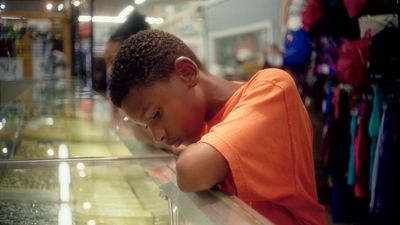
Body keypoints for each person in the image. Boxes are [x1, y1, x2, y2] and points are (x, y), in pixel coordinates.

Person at [109, 29, 327, 225]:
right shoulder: (198, 128)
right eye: (148, 126)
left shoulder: (271, 88)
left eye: (156, 115)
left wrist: (189, 152)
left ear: (186, 72)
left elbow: (190, 171)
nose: (158, 136)